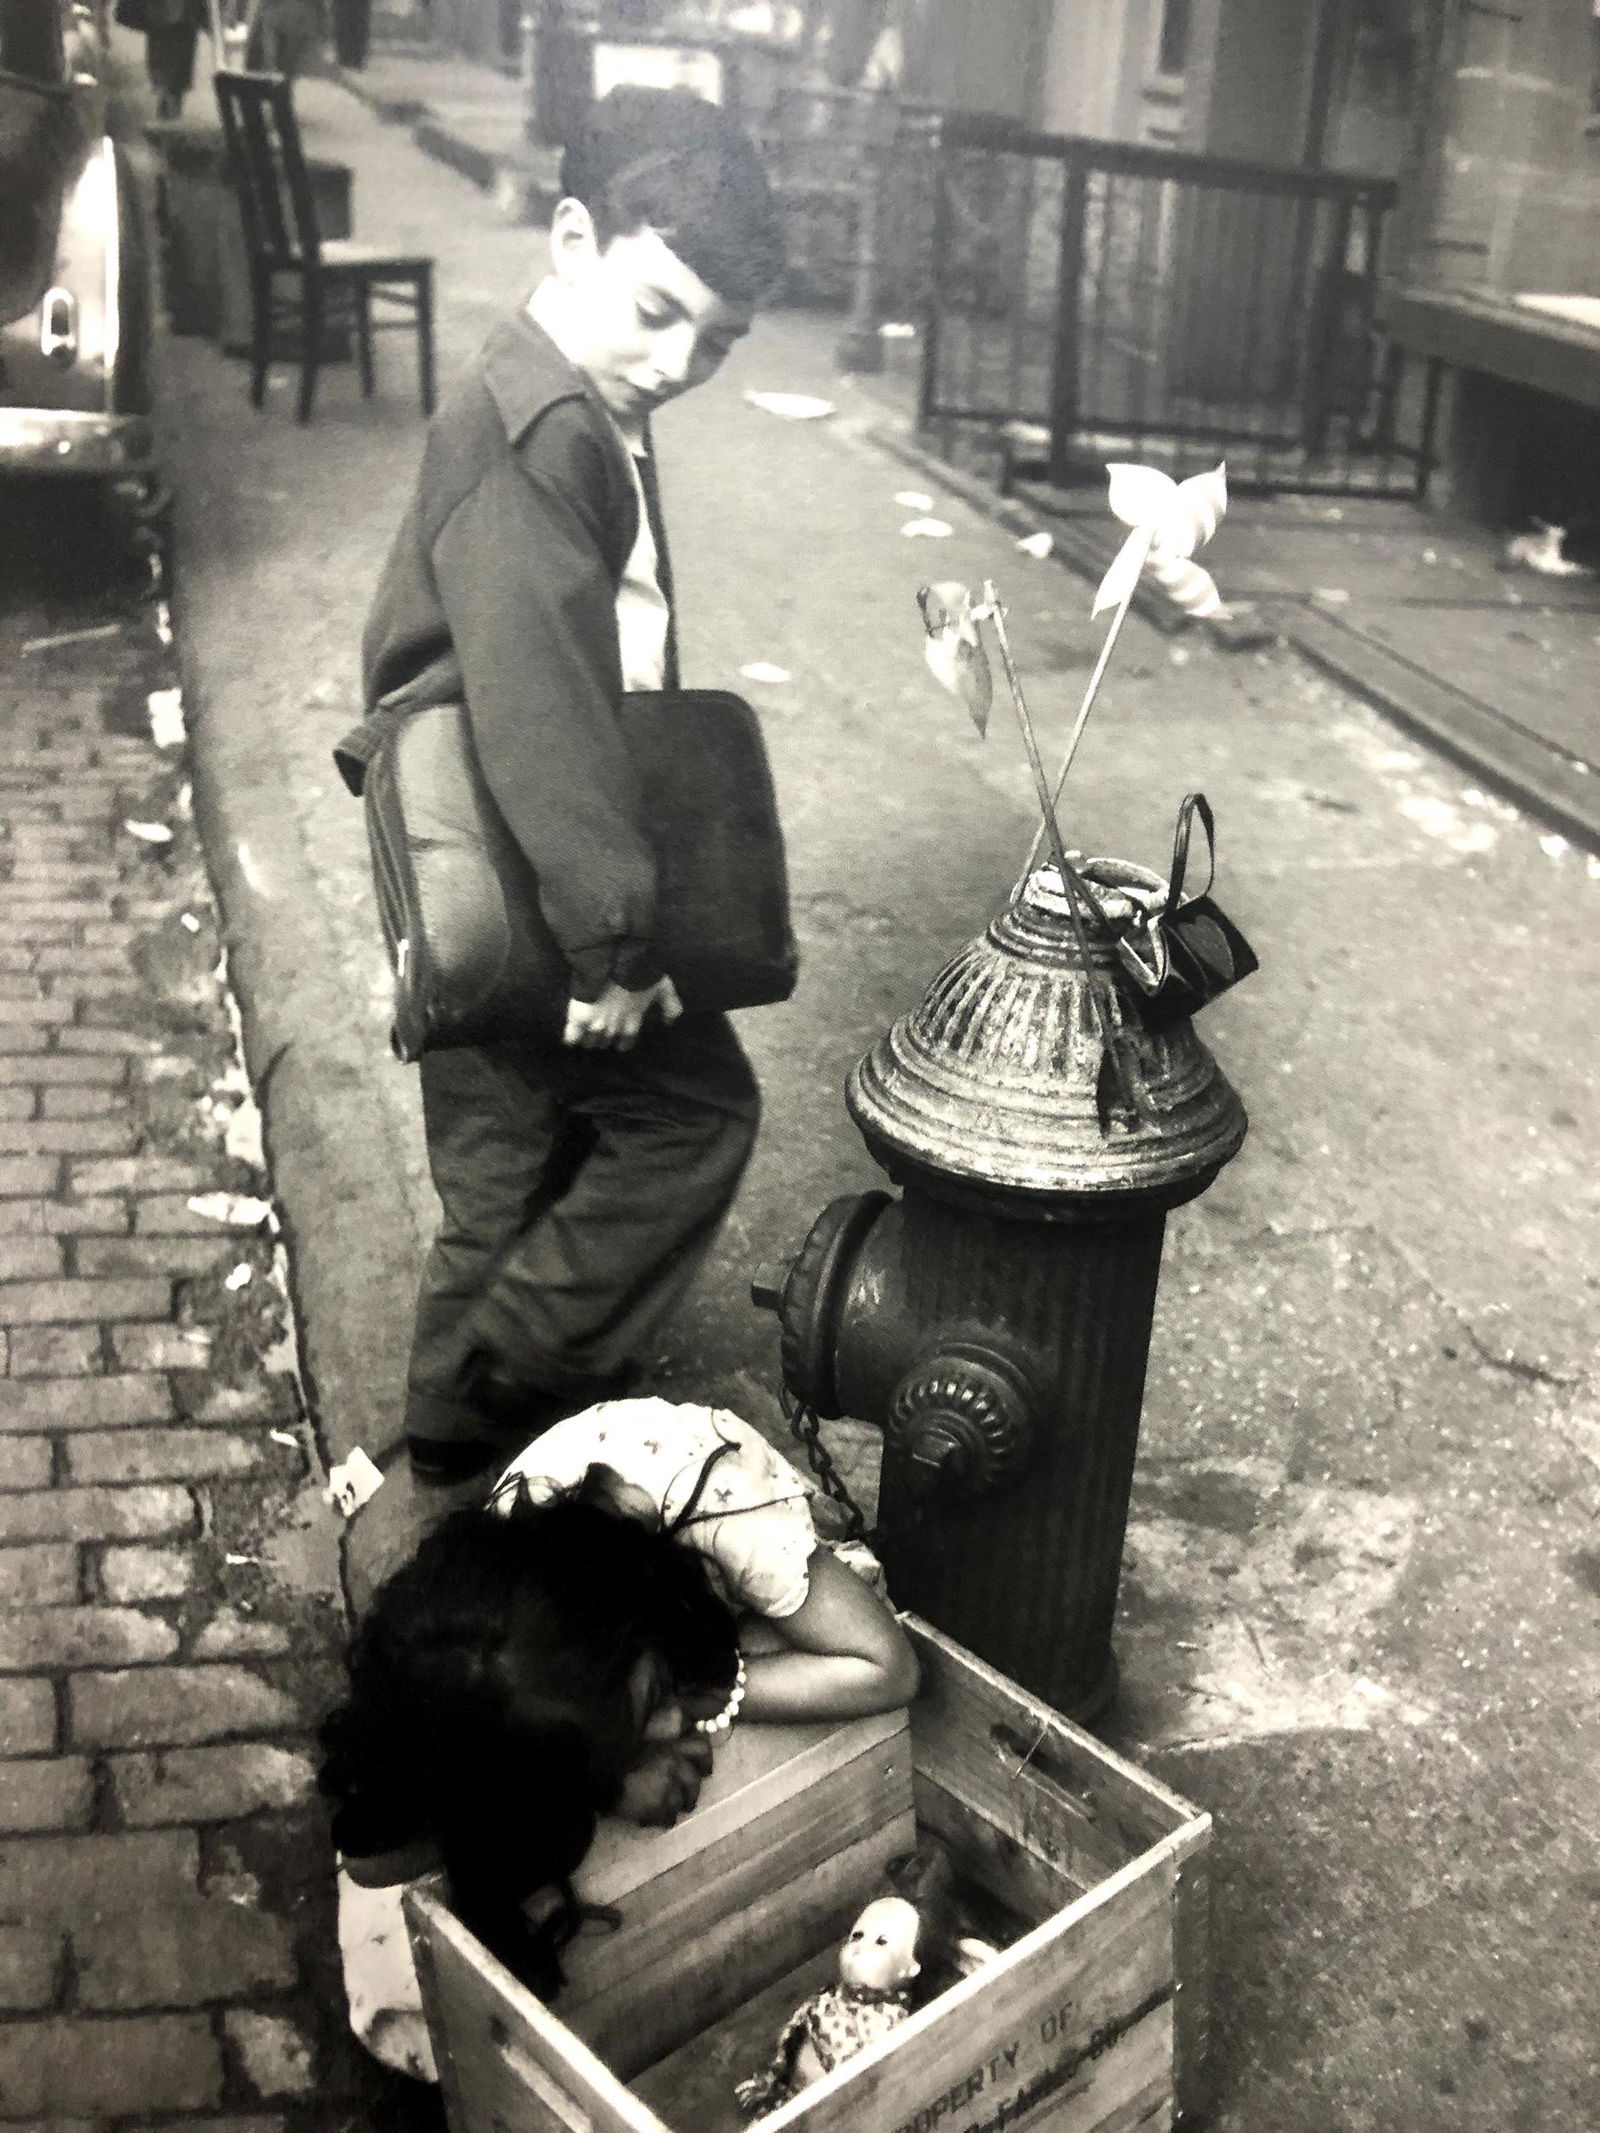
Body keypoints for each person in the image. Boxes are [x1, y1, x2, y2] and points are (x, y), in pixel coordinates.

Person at [342, 89, 789, 1487]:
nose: (677, 361)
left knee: (499, 1164)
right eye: (658, 310)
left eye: (715, 342)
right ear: (575, 234)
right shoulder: (545, 427)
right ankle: (505, 1388)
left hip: (469, 849)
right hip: (520, 855)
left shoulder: (568, 393)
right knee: (692, 1114)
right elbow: (542, 697)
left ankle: (443, 1467)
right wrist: (612, 936)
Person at [321, 1398, 919, 2082]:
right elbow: (372, 1859)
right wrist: (604, 1779)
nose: (673, 1729)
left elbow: (889, 1668)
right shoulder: (492, 1650)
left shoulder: (713, 1516)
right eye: (637, 1734)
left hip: (726, 1610)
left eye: (655, 1700)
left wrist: (715, 1705)